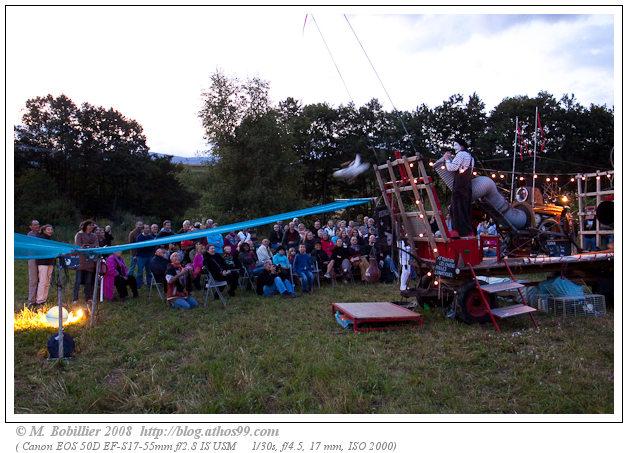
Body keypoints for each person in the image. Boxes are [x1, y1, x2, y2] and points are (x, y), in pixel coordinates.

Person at [443, 138, 475, 237]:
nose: (454, 147)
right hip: (467, 184)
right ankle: (466, 231)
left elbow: (452, 167)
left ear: (461, 146)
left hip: (460, 184)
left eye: (455, 145)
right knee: (464, 208)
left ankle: (458, 231)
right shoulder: (470, 156)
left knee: (456, 207)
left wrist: (447, 159)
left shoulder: (461, 154)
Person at [73, 219, 99, 304]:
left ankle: (88, 298)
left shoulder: (94, 236)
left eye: (92, 225)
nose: (92, 227)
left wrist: (87, 246)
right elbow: (78, 246)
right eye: (90, 225)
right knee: (78, 280)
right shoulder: (79, 235)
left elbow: (96, 246)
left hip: (90, 261)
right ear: (86, 226)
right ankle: (75, 298)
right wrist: (88, 247)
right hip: (81, 261)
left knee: (88, 281)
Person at [33, 224, 55, 306]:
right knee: (42, 281)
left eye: (51, 229)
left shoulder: (50, 240)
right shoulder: (40, 238)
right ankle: (39, 300)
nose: (50, 231)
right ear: (44, 230)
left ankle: (44, 300)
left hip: (50, 262)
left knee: (47, 282)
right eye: (48, 229)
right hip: (42, 262)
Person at [135, 224, 155, 289]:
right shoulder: (139, 237)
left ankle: (149, 284)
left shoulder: (151, 237)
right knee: (140, 271)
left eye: (148, 228)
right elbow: (138, 248)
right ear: (143, 229)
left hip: (149, 256)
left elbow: (153, 246)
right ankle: (138, 285)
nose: (147, 229)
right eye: (146, 228)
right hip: (141, 256)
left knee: (149, 271)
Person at [27, 219, 41, 305]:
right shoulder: (29, 235)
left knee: (42, 279)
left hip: (42, 258)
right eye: (35, 225)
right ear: (31, 226)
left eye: (38, 224)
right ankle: (31, 300)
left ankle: (39, 299)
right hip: (32, 258)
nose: (37, 226)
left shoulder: (41, 234)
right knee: (33, 280)